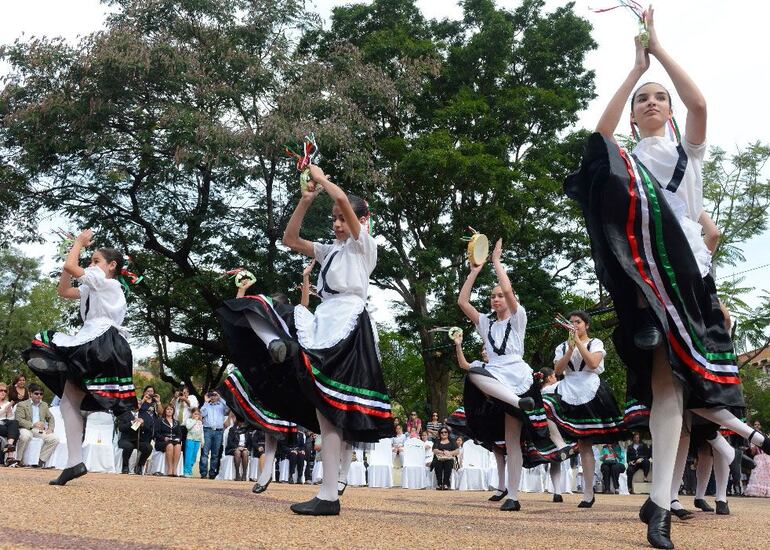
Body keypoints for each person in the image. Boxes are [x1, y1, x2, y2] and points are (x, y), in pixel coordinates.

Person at [567, 9, 762, 548]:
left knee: (674, 387)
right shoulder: (624, 159)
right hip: (645, 281)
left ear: (670, 114)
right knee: (663, 386)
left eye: (659, 98)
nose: (651, 102)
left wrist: (660, 47)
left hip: (689, 280)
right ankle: (659, 504)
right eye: (642, 100)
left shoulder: (688, 154)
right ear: (634, 117)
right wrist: (633, 69)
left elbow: (699, 103)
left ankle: (661, 501)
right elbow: (596, 140)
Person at [217, 163, 394, 516]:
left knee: (330, 413)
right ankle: (274, 344)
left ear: (360, 219)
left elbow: (342, 198)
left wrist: (323, 176)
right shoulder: (331, 251)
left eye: (343, 218)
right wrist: (305, 200)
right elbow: (290, 239)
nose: (337, 223)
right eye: (334, 218)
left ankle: (329, 494)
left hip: (347, 324)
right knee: (259, 306)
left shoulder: (364, 246)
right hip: (322, 320)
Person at [23, 229, 136, 485]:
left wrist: (78, 244)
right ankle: (75, 463)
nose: (91, 264)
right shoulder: (95, 286)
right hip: (97, 342)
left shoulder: (105, 281)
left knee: (47, 344)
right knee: (67, 402)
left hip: (100, 341)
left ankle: (126, 419)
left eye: (96, 260)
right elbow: (63, 290)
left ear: (112, 265)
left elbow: (71, 265)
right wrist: (71, 258)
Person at [545, 310, 627, 508]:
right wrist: (569, 349)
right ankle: (560, 444)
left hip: (590, 388)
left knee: (586, 443)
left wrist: (579, 344)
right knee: (544, 404)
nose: (575, 325)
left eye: (578, 322)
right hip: (568, 387)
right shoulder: (563, 346)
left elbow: (593, 363)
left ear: (586, 325)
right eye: (572, 322)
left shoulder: (596, 342)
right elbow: (558, 371)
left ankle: (588, 492)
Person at [15, 384, 59, 467]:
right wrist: (33, 424)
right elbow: (19, 420)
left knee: (55, 439)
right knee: (25, 436)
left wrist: (50, 428)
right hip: (26, 428)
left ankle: (40, 461)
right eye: (36, 393)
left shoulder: (44, 405)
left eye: (41, 394)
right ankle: (18, 460)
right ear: (30, 393)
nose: (39, 396)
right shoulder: (22, 404)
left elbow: (51, 418)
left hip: (39, 430)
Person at [116, 399, 152, 475]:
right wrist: (132, 422)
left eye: (139, 404)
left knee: (148, 447)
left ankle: (139, 465)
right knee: (129, 446)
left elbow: (148, 429)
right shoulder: (124, 414)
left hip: (138, 440)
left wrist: (143, 424)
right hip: (126, 439)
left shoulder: (143, 415)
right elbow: (121, 428)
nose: (137, 405)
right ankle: (125, 466)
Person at [199, 390, 228, 479]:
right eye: (212, 395)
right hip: (207, 430)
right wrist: (205, 401)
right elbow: (202, 413)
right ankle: (203, 473)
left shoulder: (221, 406)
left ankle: (212, 473)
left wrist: (221, 398)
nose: (213, 396)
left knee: (215, 454)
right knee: (205, 453)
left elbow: (228, 409)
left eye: (215, 395)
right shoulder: (207, 405)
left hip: (218, 431)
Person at [155, 404, 182, 476]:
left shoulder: (177, 422)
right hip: (162, 441)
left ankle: (175, 469)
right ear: (165, 411)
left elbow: (179, 434)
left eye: (171, 409)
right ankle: (170, 469)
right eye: (168, 409)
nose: (169, 411)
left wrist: (178, 439)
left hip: (174, 440)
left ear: (173, 411)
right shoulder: (160, 420)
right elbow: (156, 433)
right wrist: (164, 438)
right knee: (169, 445)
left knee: (178, 446)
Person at [745, 420, 770, 497]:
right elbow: (752, 453)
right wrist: (754, 446)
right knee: (757, 476)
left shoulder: (765, 436)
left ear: (760, 426)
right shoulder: (753, 438)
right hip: (758, 458)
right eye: (755, 424)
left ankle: (766, 491)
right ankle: (758, 491)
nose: (756, 426)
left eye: (758, 424)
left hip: (766, 458)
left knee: (767, 476)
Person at [0, 382, 20, 466]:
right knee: (15, 432)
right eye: (1, 390)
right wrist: (5, 410)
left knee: (15, 422)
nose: (3, 392)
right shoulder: (8, 405)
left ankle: (9, 446)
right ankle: (10, 457)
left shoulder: (7, 403)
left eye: (5, 391)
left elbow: (10, 419)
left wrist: (10, 412)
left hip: (5, 425)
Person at [183, 408, 204, 477]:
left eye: (198, 414)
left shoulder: (200, 422)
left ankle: (189, 469)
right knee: (189, 456)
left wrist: (202, 441)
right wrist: (194, 420)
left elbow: (201, 432)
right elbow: (188, 427)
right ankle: (186, 471)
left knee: (194, 457)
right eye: (195, 414)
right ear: (192, 414)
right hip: (190, 440)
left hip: (197, 441)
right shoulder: (189, 420)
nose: (196, 415)